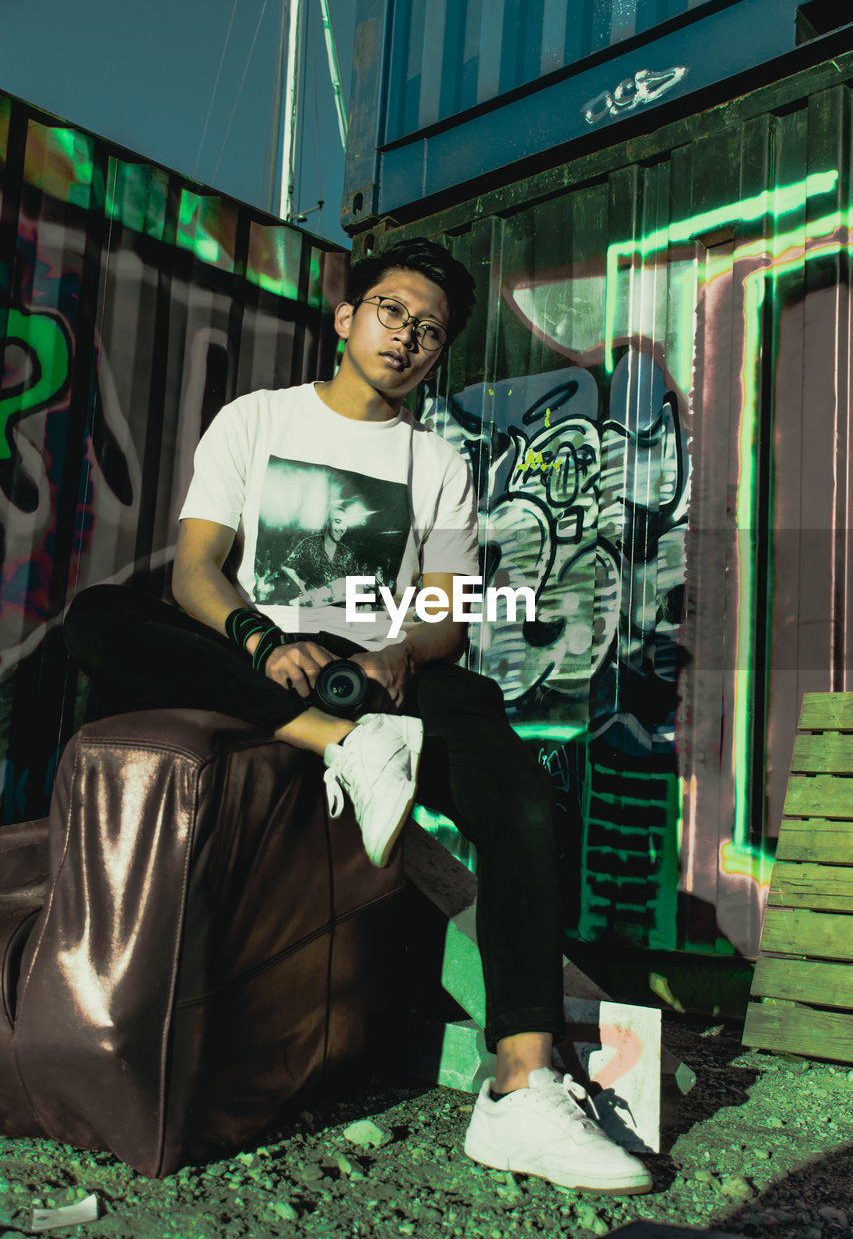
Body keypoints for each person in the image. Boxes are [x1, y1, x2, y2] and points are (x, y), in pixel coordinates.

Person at [64, 237, 652, 1196]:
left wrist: (397, 656)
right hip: (261, 658)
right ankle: (344, 748)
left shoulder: (437, 465)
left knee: (518, 793)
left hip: (383, 680)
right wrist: (258, 640)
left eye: (429, 330)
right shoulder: (255, 420)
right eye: (390, 312)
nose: (406, 337)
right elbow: (196, 570)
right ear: (345, 318)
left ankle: (523, 1086)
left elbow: (444, 621)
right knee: (101, 617)